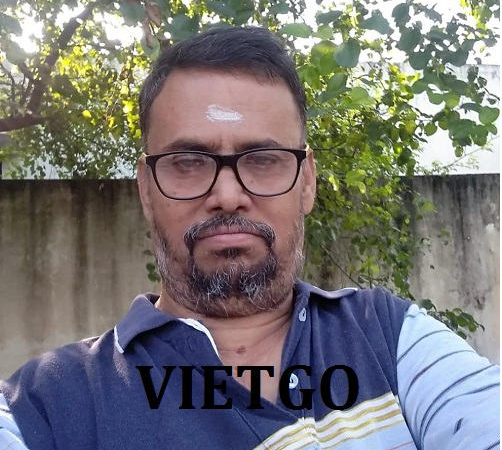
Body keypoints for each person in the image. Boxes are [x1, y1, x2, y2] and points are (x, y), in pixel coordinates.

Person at [0, 26, 499, 450]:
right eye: (188, 162)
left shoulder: (393, 339)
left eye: (263, 160)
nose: (227, 195)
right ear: (146, 191)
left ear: (307, 183)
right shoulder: (45, 405)